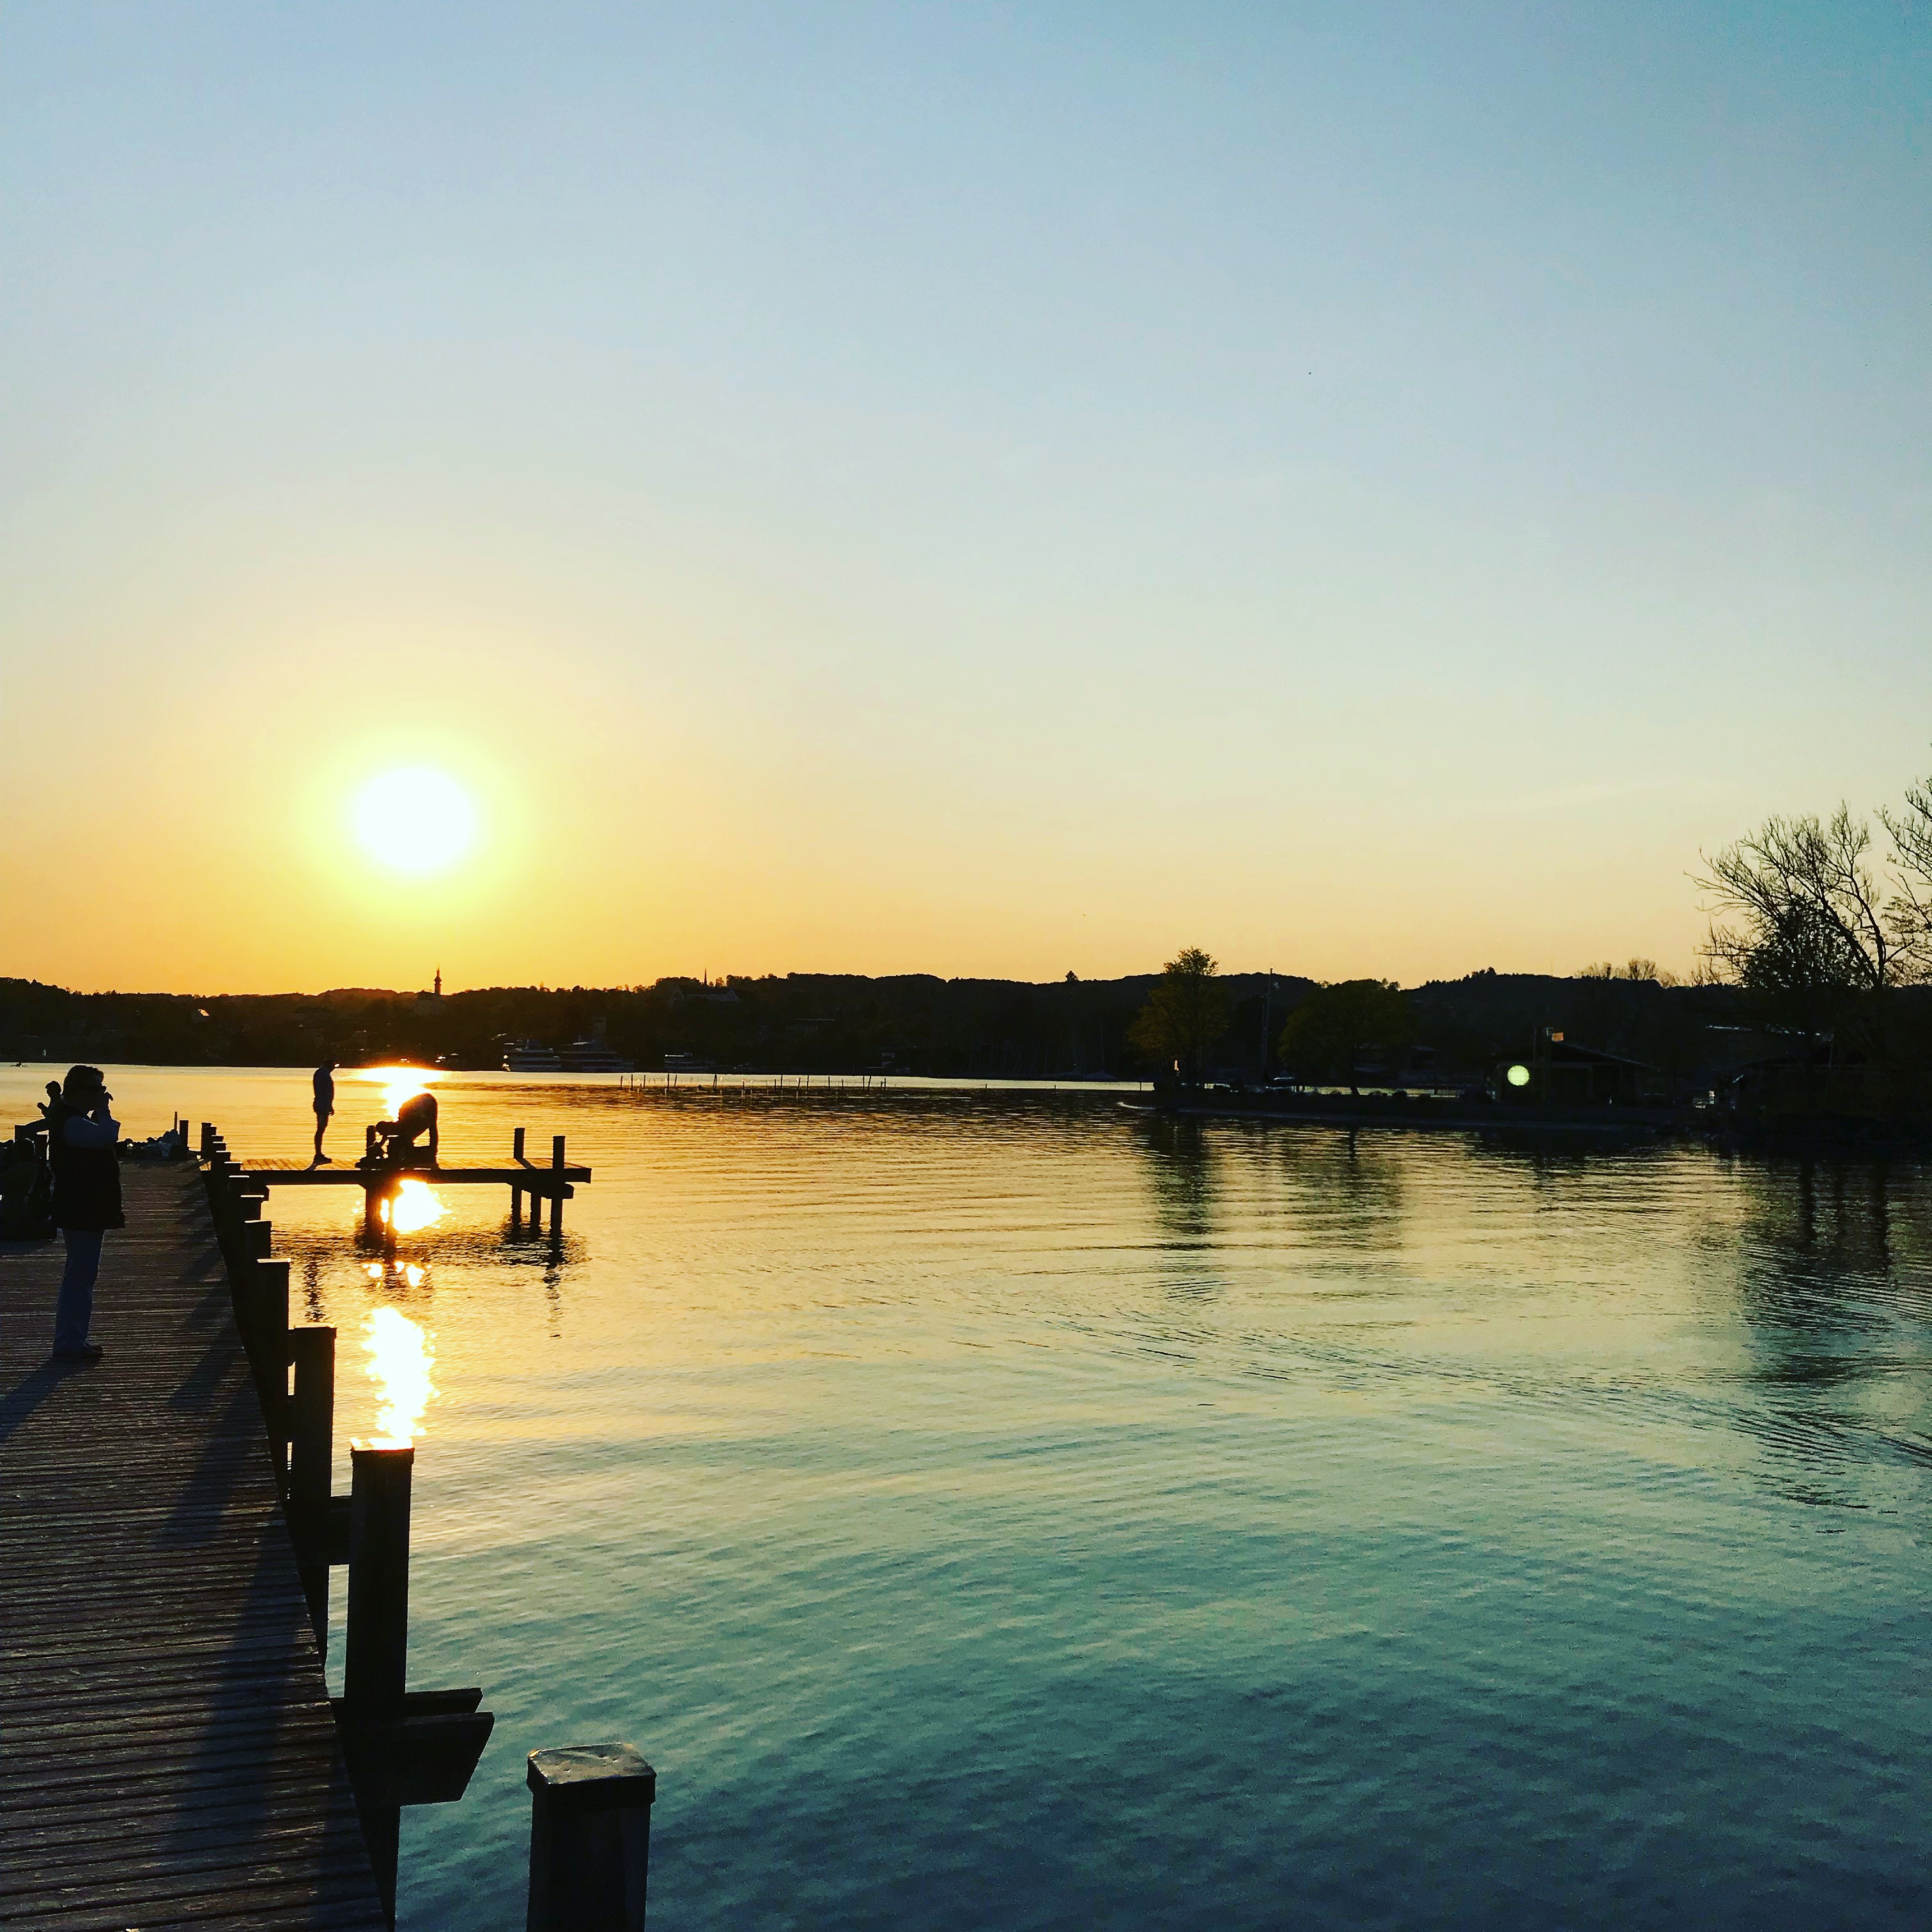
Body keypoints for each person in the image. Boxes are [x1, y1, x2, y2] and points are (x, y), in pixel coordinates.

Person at [46, 1065, 122, 1364]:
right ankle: (69, 1342)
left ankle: (74, 1338)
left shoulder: (72, 1120)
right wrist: (104, 1112)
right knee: (80, 1277)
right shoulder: (72, 1122)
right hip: (82, 1208)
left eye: (102, 1090)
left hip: (83, 1208)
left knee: (80, 1276)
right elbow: (105, 1136)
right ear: (76, 1092)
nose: (101, 1096)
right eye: (95, 1090)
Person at [366, 1090, 438, 1169]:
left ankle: (432, 1151)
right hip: (418, 1106)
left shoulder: (408, 1122)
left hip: (429, 1104)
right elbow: (390, 1131)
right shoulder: (397, 1124)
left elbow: (401, 1132)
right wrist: (380, 1144)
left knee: (431, 1126)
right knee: (408, 1135)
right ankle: (411, 1153)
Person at [311, 1059, 336, 1166]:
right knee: (321, 1129)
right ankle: (318, 1155)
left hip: (322, 1104)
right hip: (322, 1106)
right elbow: (324, 1092)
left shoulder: (321, 1073)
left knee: (321, 1128)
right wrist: (327, 1106)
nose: (335, 1067)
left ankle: (319, 1154)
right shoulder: (323, 1074)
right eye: (335, 1065)